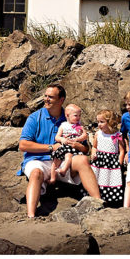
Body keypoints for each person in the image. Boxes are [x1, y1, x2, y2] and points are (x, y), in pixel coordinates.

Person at [18, 84, 101, 218]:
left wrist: (76, 144)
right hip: (38, 161)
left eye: (50, 97)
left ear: (61, 100)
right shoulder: (35, 117)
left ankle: (99, 203)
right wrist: (51, 147)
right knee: (35, 173)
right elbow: (23, 145)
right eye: (45, 96)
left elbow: (85, 149)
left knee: (82, 160)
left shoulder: (70, 118)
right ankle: (31, 216)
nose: (46, 99)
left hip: (64, 161)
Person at [90, 109, 125, 204]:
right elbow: (94, 147)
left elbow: (122, 151)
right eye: (98, 122)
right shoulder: (98, 134)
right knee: (97, 179)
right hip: (99, 161)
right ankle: (95, 198)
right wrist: (93, 154)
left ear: (109, 122)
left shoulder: (117, 135)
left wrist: (119, 163)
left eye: (102, 122)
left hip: (112, 162)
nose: (99, 124)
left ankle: (109, 201)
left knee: (109, 180)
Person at [50, 104, 88, 184]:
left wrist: (77, 139)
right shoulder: (63, 125)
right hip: (63, 146)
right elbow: (57, 137)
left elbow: (85, 136)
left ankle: (64, 170)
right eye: (75, 116)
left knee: (68, 155)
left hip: (72, 147)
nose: (78, 118)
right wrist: (62, 139)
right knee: (55, 160)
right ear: (67, 115)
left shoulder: (80, 126)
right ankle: (52, 178)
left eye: (79, 115)